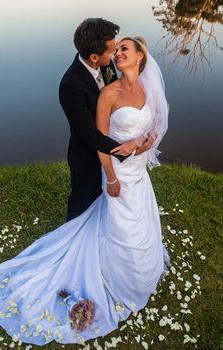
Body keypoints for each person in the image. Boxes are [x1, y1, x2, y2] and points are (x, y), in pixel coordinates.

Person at [0, 35, 170, 345]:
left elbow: (150, 128)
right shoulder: (108, 93)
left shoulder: (148, 90)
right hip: (118, 171)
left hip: (138, 172)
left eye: (125, 48)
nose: (118, 52)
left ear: (140, 57)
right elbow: (100, 143)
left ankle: (140, 271)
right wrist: (111, 178)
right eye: (116, 48)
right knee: (120, 226)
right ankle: (116, 277)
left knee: (142, 221)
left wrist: (142, 143)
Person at [58, 18, 154, 221]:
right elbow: (91, 136)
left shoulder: (105, 63)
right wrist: (130, 149)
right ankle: (73, 235)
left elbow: (119, 95)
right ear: (94, 57)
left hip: (112, 142)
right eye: (112, 51)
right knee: (83, 199)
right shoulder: (70, 85)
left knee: (104, 203)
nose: (116, 54)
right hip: (87, 154)